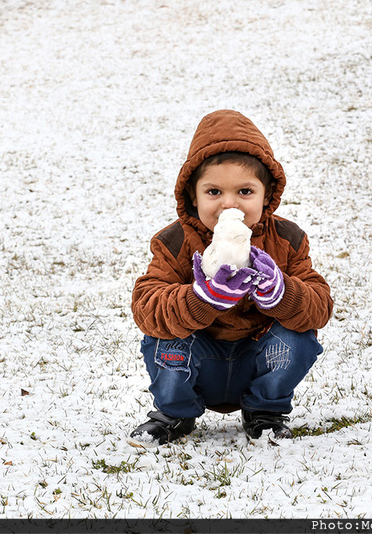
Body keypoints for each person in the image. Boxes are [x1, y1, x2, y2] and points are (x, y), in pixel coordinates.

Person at [128, 110, 333, 448]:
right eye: (213, 192)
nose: (228, 204)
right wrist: (201, 298)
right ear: (193, 196)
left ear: (266, 195)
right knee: (164, 335)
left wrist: (281, 293)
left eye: (244, 191)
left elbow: (320, 306)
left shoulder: (288, 238)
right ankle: (174, 413)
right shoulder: (173, 242)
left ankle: (265, 411)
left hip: (257, 356)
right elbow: (146, 307)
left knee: (299, 334)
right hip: (197, 359)